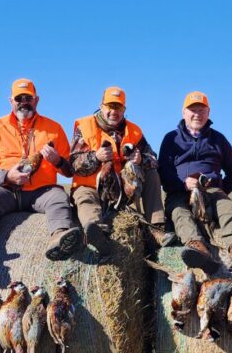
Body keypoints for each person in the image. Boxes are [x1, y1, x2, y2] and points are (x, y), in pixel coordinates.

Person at [0, 78, 82, 273]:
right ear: (11, 101)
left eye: (28, 98)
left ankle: (59, 237)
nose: (24, 102)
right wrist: (7, 176)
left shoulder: (54, 128)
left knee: (59, 197)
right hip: (7, 189)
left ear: (36, 100)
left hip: (41, 191)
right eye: (19, 98)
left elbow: (69, 170)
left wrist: (58, 160)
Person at [158, 91, 232, 273]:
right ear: (184, 113)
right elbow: (163, 173)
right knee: (179, 213)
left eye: (201, 110)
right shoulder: (170, 139)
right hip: (180, 192)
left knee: (227, 207)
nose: (197, 114)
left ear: (208, 112)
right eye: (192, 110)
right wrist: (183, 184)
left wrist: (218, 189)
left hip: (210, 191)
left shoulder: (218, 139)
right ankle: (197, 248)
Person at [70, 86, 175, 258]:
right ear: (101, 106)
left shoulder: (134, 131)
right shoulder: (85, 126)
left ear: (124, 109)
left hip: (122, 190)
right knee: (85, 199)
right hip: (91, 187)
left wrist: (141, 159)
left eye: (118, 107)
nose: (114, 111)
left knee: (151, 173)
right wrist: (95, 157)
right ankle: (97, 234)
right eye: (110, 106)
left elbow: (154, 159)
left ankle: (157, 228)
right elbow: (73, 164)